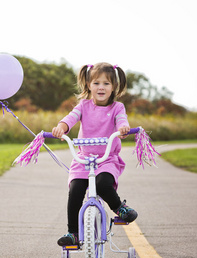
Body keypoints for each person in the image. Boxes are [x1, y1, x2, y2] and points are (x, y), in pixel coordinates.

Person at [51, 62, 138, 247]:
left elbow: (121, 120)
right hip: (83, 159)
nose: (101, 87)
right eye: (96, 83)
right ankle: (73, 233)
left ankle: (119, 208)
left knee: (103, 184)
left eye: (106, 84)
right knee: (75, 191)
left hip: (107, 159)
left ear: (113, 87)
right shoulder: (83, 106)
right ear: (88, 85)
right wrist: (61, 127)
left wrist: (123, 127)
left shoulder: (117, 108)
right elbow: (71, 118)